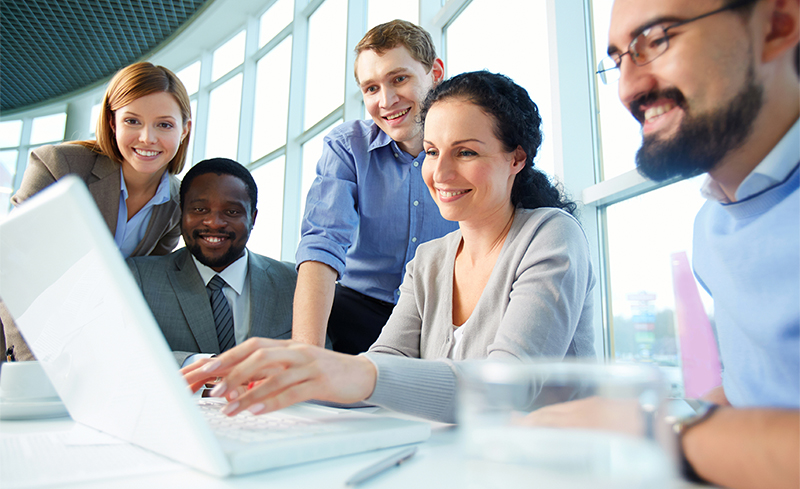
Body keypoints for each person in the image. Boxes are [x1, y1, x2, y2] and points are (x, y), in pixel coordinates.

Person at [183, 71, 596, 424]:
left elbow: (507, 391)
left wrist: (354, 372)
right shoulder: (430, 260)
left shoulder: (551, 235)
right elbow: (383, 369)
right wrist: (287, 375)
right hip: (456, 468)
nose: (441, 172)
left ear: (517, 158)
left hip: (550, 474)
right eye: (432, 152)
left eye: (466, 152)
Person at [527, 1, 799, 489]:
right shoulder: (713, 225)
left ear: (778, 24)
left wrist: (655, 431)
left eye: (657, 39)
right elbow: (738, 415)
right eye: (618, 58)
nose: (629, 88)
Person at [1, 61, 192, 361]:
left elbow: (140, 288)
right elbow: (10, 266)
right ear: (113, 122)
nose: (147, 138)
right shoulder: (59, 166)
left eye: (164, 124)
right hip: (15, 343)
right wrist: (30, 363)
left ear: (184, 130)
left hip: (86, 355)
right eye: (132, 121)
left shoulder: (178, 204)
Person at [293, 20, 459, 355]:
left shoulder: (470, 147)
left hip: (441, 315)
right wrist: (306, 356)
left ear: (435, 73)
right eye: (371, 88)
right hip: (358, 309)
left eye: (399, 79)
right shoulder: (347, 146)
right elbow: (322, 243)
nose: (387, 100)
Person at [127, 158, 297, 366]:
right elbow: (121, 354)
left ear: (253, 218)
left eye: (232, 212)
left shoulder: (293, 282)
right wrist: (205, 366)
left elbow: (319, 360)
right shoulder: (139, 278)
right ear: (182, 213)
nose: (214, 223)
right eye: (199, 209)